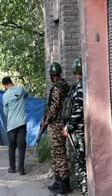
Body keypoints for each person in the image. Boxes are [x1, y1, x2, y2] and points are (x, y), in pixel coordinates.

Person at [37, 62, 71, 194]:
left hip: (57, 124)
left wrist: (46, 121)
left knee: (59, 154)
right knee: (55, 153)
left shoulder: (58, 88)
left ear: (52, 76)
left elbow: (54, 108)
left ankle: (64, 183)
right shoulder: (63, 86)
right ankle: (58, 181)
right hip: (57, 123)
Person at [64, 58, 87, 195]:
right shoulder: (81, 84)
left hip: (79, 130)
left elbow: (78, 110)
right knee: (80, 160)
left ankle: (85, 190)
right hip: (79, 129)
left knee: (81, 161)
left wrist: (68, 127)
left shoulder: (79, 86)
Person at [2, 76, 28, 175]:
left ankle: (12, 168)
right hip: (21, 123)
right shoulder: (20, 89)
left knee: (12, 147)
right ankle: (21, 169)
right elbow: (26, 95)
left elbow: (5, 112)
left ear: (5, 85)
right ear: (11, 82)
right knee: (21, 146)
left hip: (11, 125)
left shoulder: (5, 95)